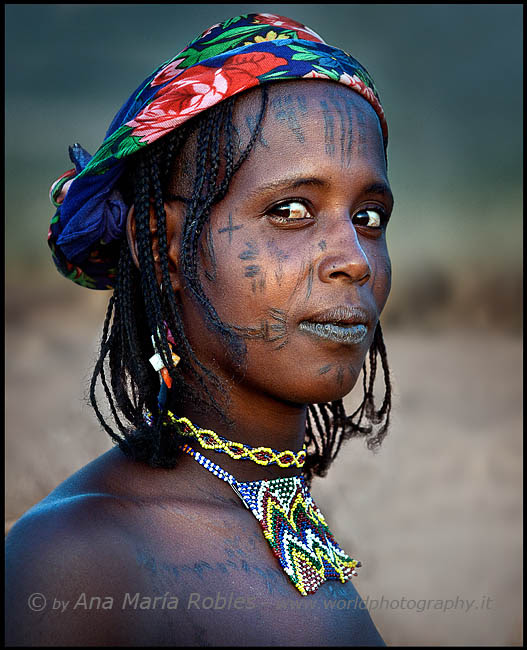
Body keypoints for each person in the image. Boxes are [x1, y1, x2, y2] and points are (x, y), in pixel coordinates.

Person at [5, 13, 393, 646]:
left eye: (370, 216)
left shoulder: (281, 514)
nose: (354, 257)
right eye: (291, 211)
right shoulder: (76, 561)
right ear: (162, 247)